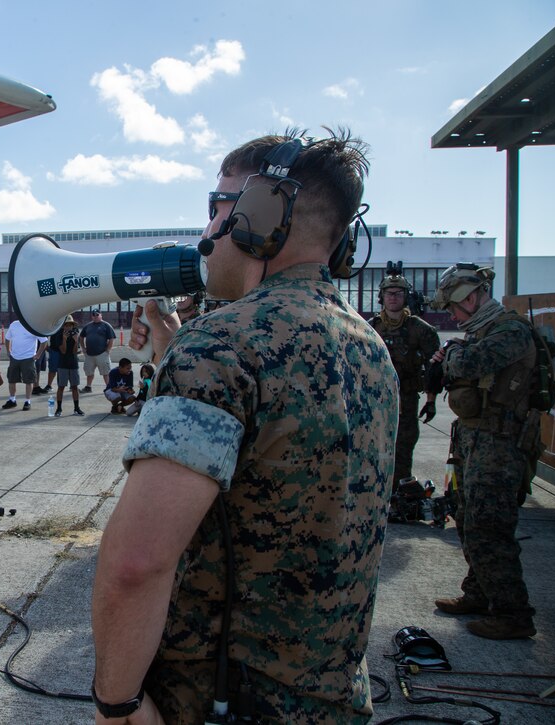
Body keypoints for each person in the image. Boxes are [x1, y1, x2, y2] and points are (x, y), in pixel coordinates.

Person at [92, 131, 394, 723]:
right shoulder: (369, 344)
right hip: (328, 698)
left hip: (223, 701)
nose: (206, 233)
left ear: (260, 218)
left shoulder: (222, 347)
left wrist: (118, 704)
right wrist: (171, 351)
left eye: (218, 206)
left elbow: (136, 565)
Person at [430, 263, 538, 640]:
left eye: (455, 307)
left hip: (499, 445)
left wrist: (452, 359)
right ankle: (478, 593)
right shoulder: (480, 333)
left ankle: (513, 614)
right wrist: (453, 359)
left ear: (472, 297)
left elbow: (467, 363)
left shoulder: (510, 332)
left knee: (488, 527)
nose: (452, 315)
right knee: (463, 514)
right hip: (472, 441)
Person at [368, 273, 440, 487]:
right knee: (374, 446)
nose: (393, 297)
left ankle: (399, 494)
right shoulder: (370, 327)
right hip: (376, 400)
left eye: (399, 293)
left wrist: (431, 400)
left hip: (406, 400)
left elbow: (434, 368)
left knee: (404, 446)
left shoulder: (420, 329)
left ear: (406, 297)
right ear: (382, 296)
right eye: (389, 293)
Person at [2, 318, 47, 411]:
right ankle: (12, 400)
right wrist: (8, 351)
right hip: (14, 357)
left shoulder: (33, 325)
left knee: (29, 381)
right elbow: (7, 338)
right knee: (11, 379)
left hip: (28, 358)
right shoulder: (14, 324)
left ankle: (27, 401)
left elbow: (44, 341)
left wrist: (38, 355)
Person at [53, 316, 83, 417]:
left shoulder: (75, 334)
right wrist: (64, 339)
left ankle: (76, 408)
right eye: (66, 325)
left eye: (70, 325)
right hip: (63, 364)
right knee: (61, 387)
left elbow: (75, 351)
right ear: (63, 326)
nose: (68, 327)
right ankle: (59, 408)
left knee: (75, 386)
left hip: (73, 363)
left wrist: (75, 341)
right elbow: (63, 351)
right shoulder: (59, 335)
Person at [80, 310, 116, 393]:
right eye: (93, 315)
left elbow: (111, 338)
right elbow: (81, 337)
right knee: (89, 372)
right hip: (89, 354)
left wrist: (108, 350)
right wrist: (83, 348)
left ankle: (108, 387)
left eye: (97, 315)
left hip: (102, 353)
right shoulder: (88, 326)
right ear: (92, 316)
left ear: (101, 315)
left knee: (105, 372)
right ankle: (88, 387)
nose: (95, 317)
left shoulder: (106, 325)